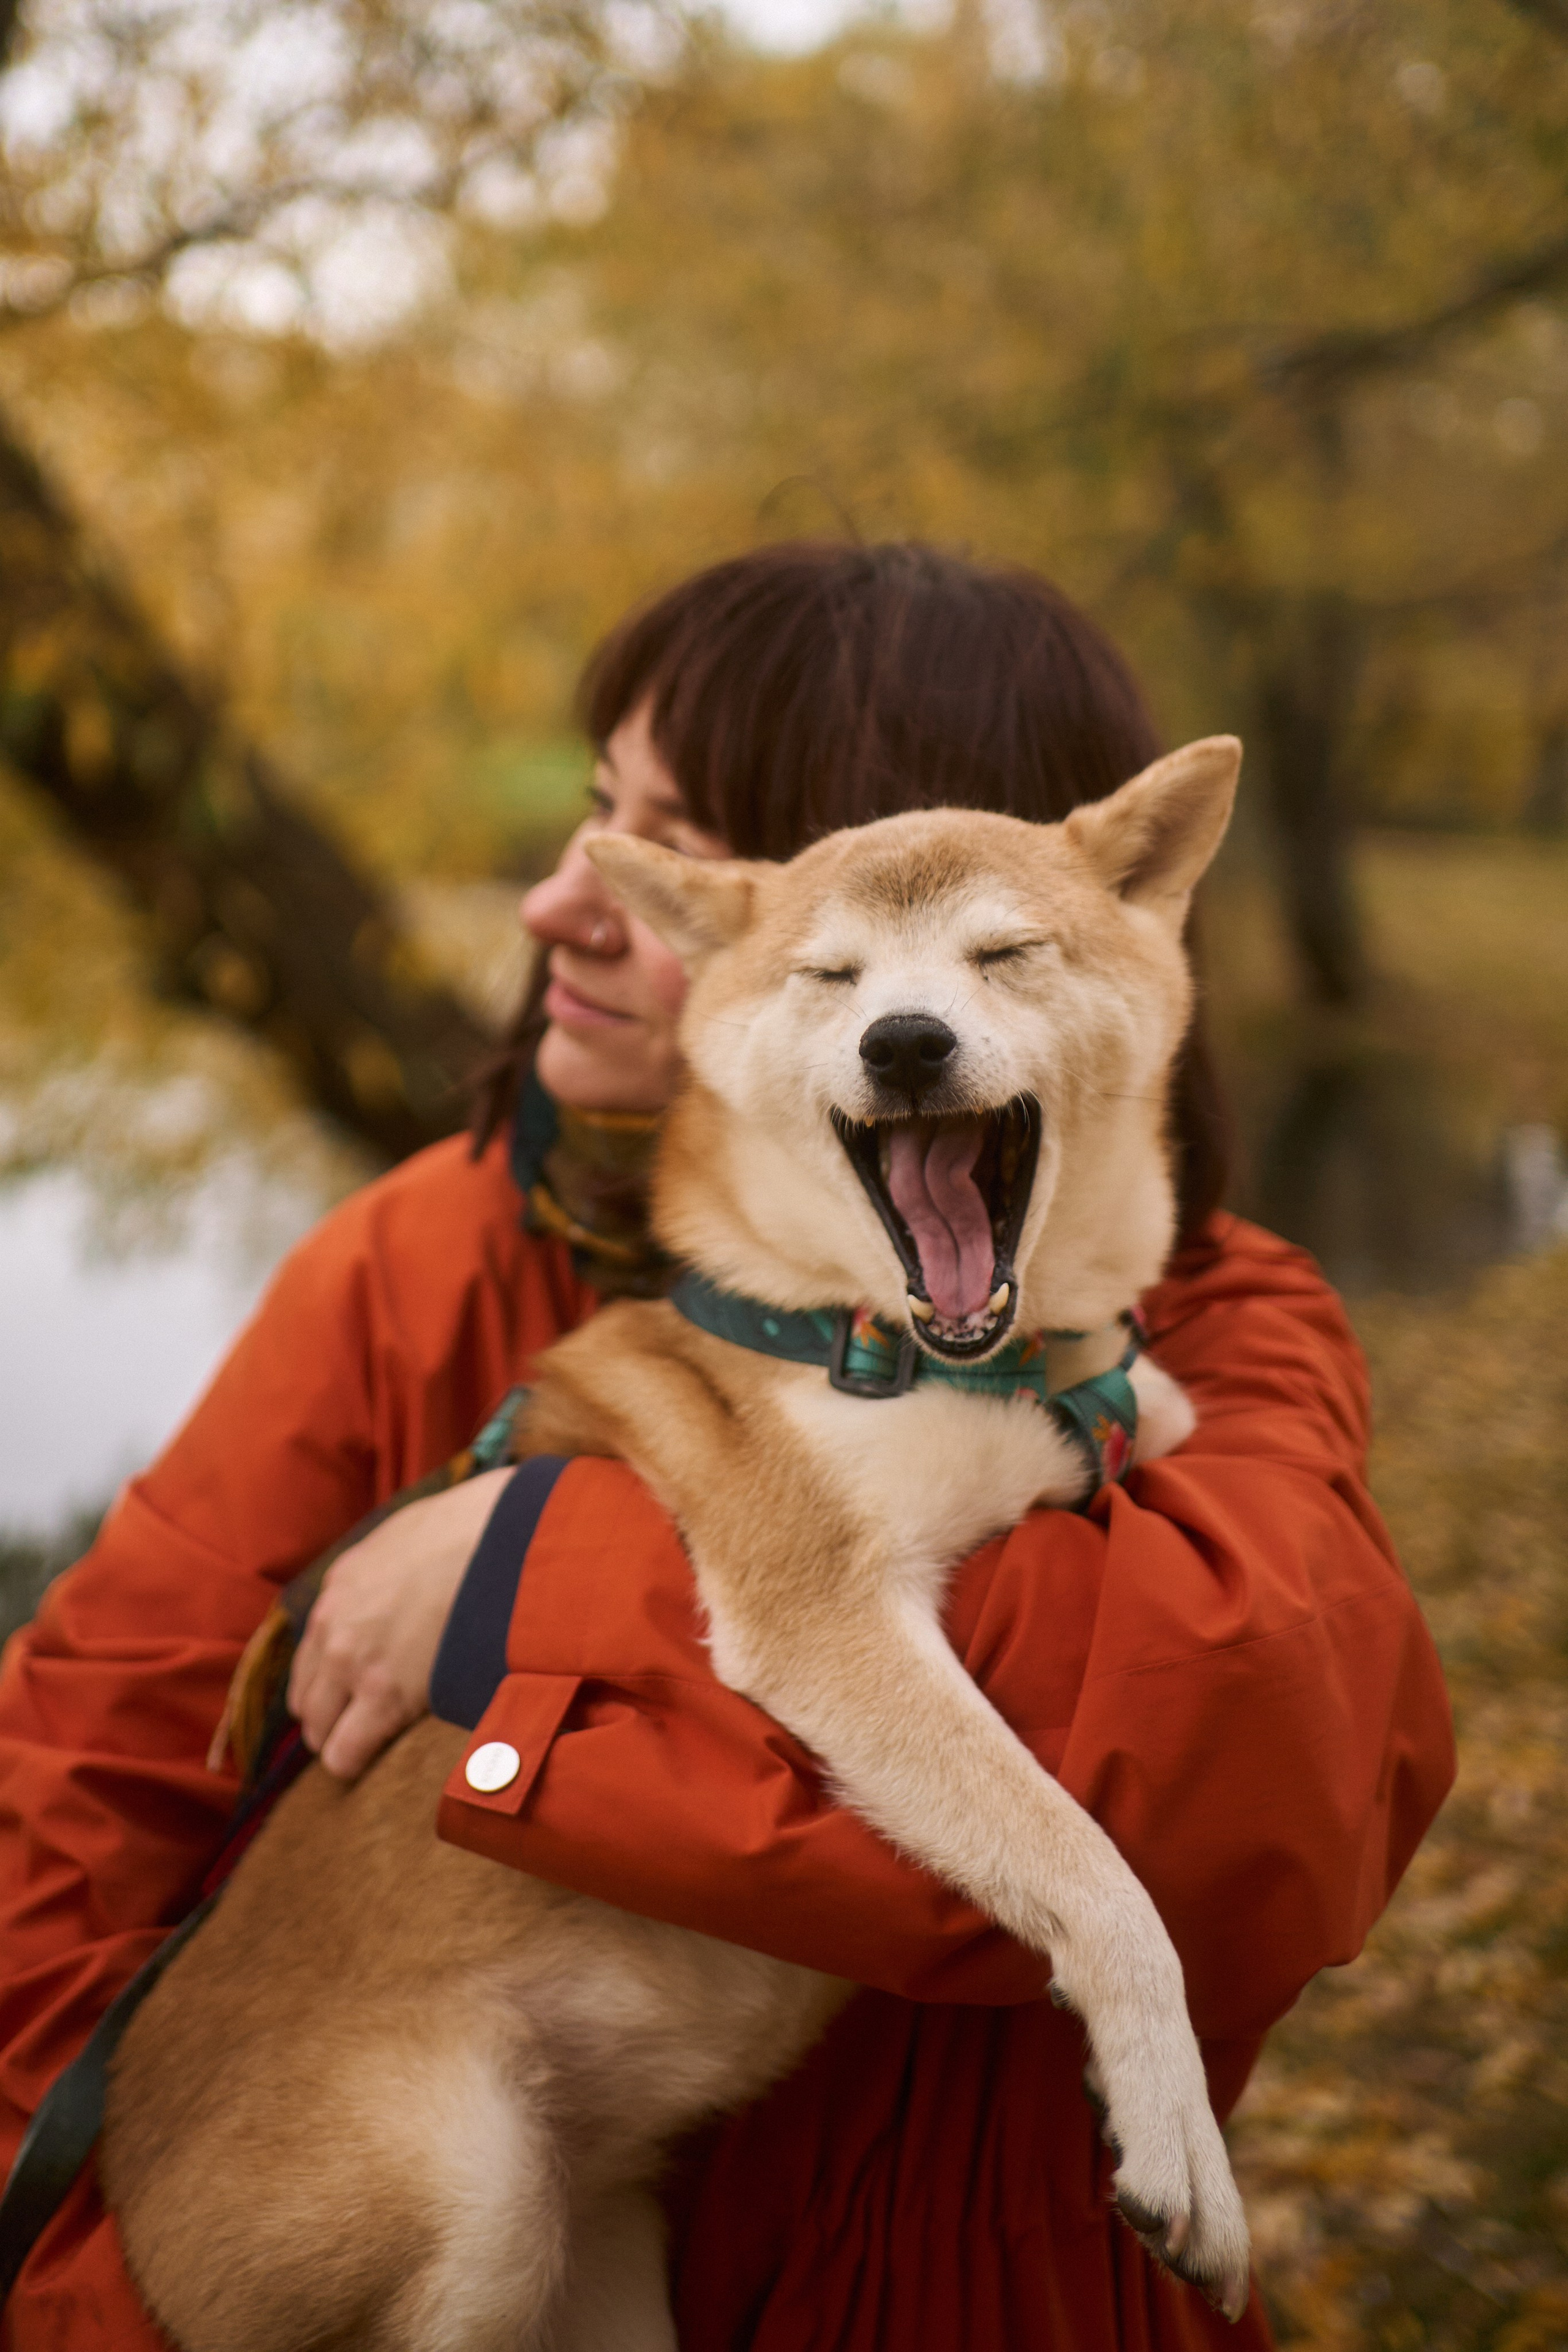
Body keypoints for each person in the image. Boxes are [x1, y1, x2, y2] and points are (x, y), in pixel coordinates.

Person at [0, 541, 1453, 2352]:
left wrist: (536, 1573)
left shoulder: (1223, 1320)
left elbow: (1268, 1788)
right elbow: (72, 1795)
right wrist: (84, 2301)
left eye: (676, 849)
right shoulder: (413, 1265)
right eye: (603, 825)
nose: (568, 904)